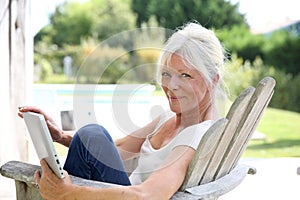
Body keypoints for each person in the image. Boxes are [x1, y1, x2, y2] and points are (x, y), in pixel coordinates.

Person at [18, 22, 227, 200]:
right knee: (92, 134)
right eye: (166, 73)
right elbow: (117, 148)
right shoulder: (170, 118)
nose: (171, 85)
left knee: (91, 134)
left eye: (185, 75)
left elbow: (148, 195)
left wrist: (68, 193)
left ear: (213, 80)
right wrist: (60, 136)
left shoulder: (194, 137)